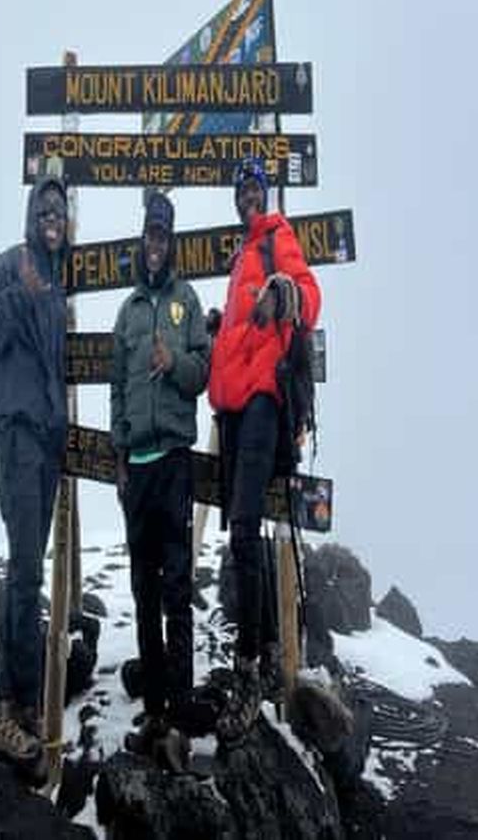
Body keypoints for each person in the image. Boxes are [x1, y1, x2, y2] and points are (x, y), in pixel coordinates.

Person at [208, 158, 321, 743]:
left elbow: (310, 296)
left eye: (254, 187)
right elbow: (243, 329)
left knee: (245, 529)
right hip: (232, 406)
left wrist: (286, 293)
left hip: (260, 401)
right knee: (243, 527)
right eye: (241, 190)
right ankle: (271, 650)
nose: (247, 196)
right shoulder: (241, 257)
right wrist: (219, 330)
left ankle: (249, 668)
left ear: (265, 193)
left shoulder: (278, 237)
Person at [110, 191, 210, 771]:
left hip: (173, 460)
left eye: (163, 236)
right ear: (142, 240)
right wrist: (119, 456)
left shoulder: (186, 300)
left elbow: (203, 373)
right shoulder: (127, 311)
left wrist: (175, 364)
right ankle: (153, 712)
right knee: (143, 592)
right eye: (150, 235)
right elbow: (116, 388)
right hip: (137, 471)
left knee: (176, 589)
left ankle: (180, 712)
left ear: (171, 244)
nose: (155, 244)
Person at [0, 174, 69, 782]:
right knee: (26, 571)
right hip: (15, 433)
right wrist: (17, 294)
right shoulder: (13, 266)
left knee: (27, 569)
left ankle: (14, 706)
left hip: (46, 440)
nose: (52, 219)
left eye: (59, 212)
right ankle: (11, 706)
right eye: (44, 211)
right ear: (31, 216)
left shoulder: (57, 285)